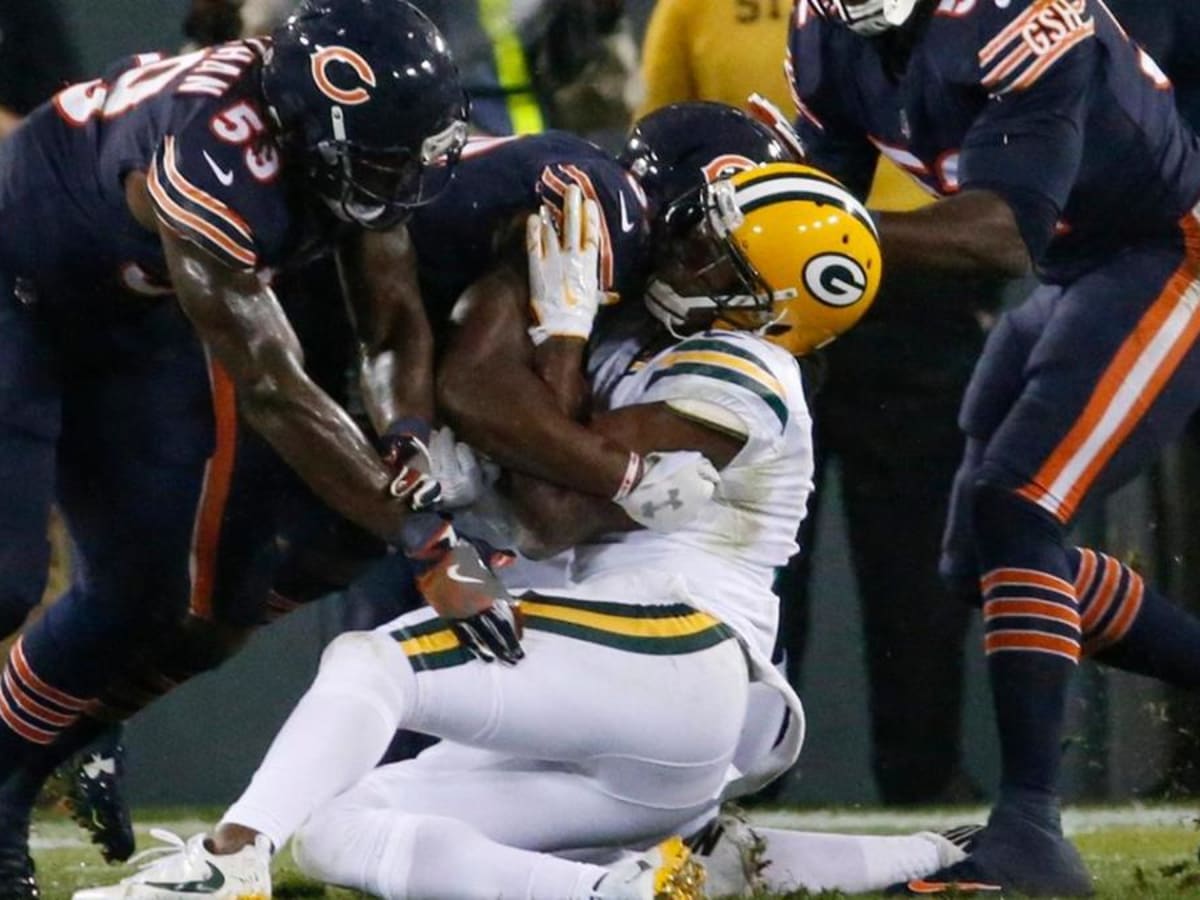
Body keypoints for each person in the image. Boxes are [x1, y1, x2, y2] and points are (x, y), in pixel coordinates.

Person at [72, 159, 955, 900]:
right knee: (344, 826)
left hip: (678, 660)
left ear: (770, 310)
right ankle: (622, 888)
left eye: (716, 260)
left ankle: (226, 865)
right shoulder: (651, 342)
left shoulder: (748, 369)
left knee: (374, 661)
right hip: (612, 692)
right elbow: (535, 471)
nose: (684, 256)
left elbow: (552, 514)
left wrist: (561, 340)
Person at [0, 1, 501, 894]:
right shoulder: (217, 154)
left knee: (143, 595)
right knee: (4, 575)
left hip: (132, 313)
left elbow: (389, 325)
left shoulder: (341, 130)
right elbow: (273, 390)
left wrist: (410, 438)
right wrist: (424, 540)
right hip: (15, 281)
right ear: (313, 128)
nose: (396, 183)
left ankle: (22, 768)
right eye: (381, 161)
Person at [788, 0, 1200, 894]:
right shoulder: (824, 33)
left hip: (1165, 252)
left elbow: (1001, 234)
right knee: (979, 562)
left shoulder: (1020, 19)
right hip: (1075, 268)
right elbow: (824, 196)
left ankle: (1028, 829)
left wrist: (816, 240)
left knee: (1016, 505)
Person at [636, 0, 992, 806]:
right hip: (757, 293)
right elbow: (662, 144)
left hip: (912, 282)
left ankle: (924, 779)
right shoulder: (691, 7)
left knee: (914, 562)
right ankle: (735, 779)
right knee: (749, 553)